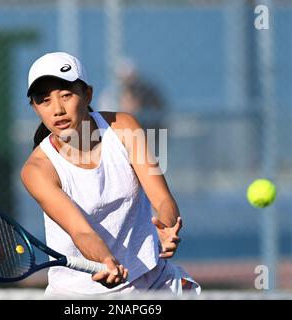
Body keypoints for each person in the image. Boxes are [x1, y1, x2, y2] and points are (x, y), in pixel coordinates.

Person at [20, 52, 200, 296]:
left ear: (88, 95)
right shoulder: (37, 171)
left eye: (66, 95)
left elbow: (162, 199)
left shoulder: (124, 127)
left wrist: (167, 226)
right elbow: (81, 231)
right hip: (76, 295)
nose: (58, 109)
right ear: (35, 107)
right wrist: (105, 260)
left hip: (153, 281)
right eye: (44, 100)